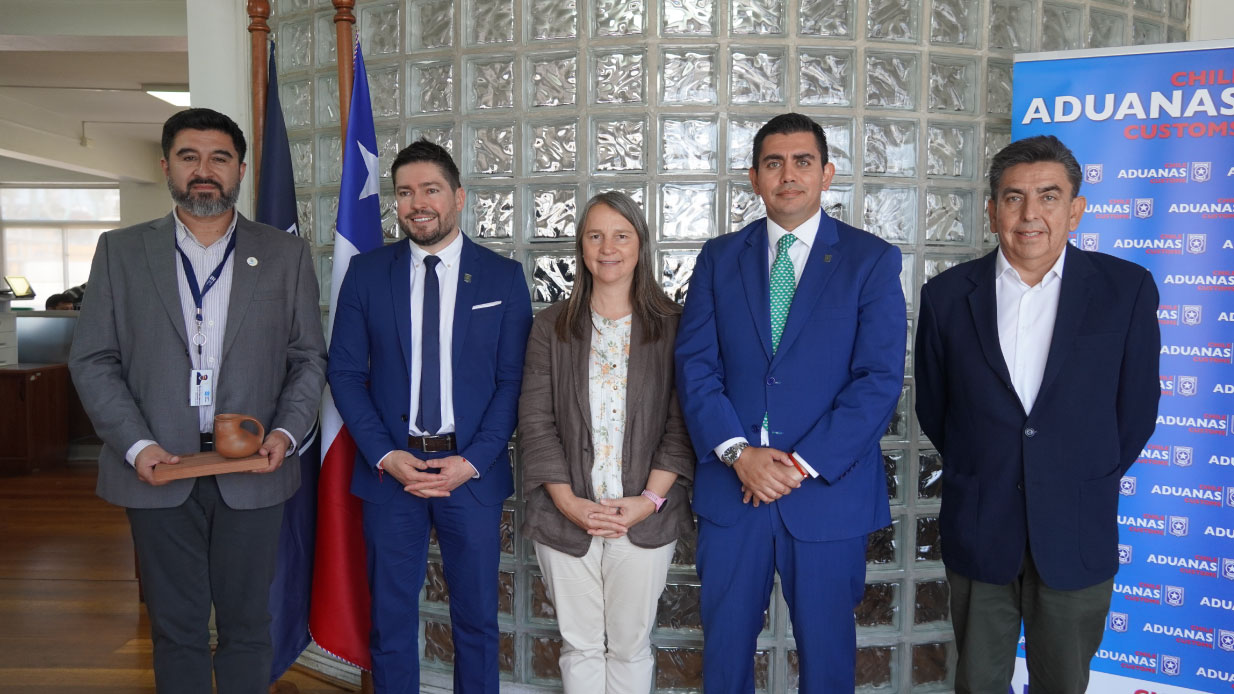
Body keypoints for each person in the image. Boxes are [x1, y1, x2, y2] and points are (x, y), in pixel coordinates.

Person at [68, 107, 327, 694]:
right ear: (167, 166)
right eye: (189, 157)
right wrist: (137, 445)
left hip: (253, 468)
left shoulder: (284, 254)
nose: (204, 171)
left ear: (240, 170)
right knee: (176, 628)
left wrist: (285, 435)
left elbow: (308, 358)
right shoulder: (120, 251)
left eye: (219, 158)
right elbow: (93, 359)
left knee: (248, 626)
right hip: (158, 468)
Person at [914, 135, 1160, 694]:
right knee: (977, 683)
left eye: (1049, 197)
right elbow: (936, 408)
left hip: (1076, 529)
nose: (1030, 214)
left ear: (1075, 209)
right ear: (992, 211)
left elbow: (1136, 411)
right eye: (1014, 197)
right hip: (981, 526)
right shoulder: (946, 296)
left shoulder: (1126, 290)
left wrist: (1069, 472)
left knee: (1064, 684)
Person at [674, 113, 907, 692]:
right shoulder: (719, 258)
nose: (788, 175)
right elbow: (695, 366)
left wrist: (798, 465)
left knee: (827, 662)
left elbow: (878, 380)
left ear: (827, 173)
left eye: (803, 162)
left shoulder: (870, 260)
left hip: (826, 495)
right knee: (724, 657)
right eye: (773, 163)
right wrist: (738, 453)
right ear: (754, 177)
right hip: (734, 493)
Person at [327, 139, 533, 694]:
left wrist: (475, 460)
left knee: (477, 621)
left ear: (458, 197)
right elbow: (344, 373)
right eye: (405, 192)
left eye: (431, 190)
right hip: (392, 473)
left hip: (471, 473)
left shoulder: (502, 278)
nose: (418, 203)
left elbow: (514, 381)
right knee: (390, 620)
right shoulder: (367, 274)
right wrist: (386, 455)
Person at [518, 192, 694, 693]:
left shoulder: (673, 326)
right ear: (581, 246)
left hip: (645, 516)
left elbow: (682, 424)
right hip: (565, 514)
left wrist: (649, 500)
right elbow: (535, 420)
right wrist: (568, 502)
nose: (608, 248)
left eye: (621, 235)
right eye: (595, 236)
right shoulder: (551, 326)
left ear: (641, 245)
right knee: (579, 645)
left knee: (630, 645)